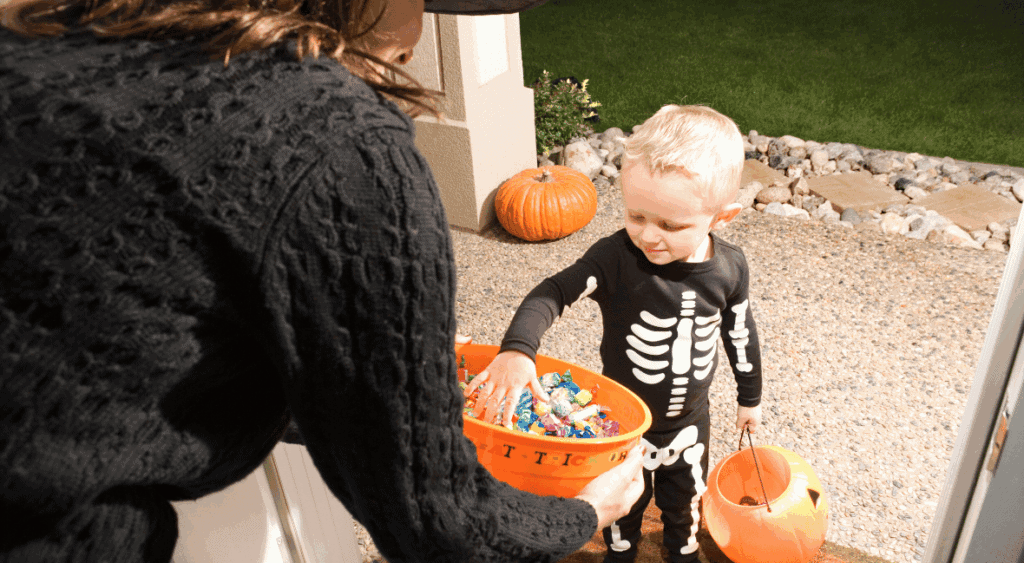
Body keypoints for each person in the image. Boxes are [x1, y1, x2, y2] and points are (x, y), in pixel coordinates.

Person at [0, 0, 648, 561]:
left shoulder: (44, 37)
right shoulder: (343, 144)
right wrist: (585, 512)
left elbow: (150, 330)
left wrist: (363, 386)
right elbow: (437, 521)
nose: (419, 30)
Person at [465, 104, 765, 563]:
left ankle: (679, 554)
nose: (649, 236)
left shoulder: (729, 267)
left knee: (683, 509)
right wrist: (518, 349)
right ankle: (620, 555)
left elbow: (740, 332)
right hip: (624, 426)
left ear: (722, 218)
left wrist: (750, 398)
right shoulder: (615, 258)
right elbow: (551, 293)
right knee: (621, 512)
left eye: (670, 224)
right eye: (636, 215)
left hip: (691, 424)